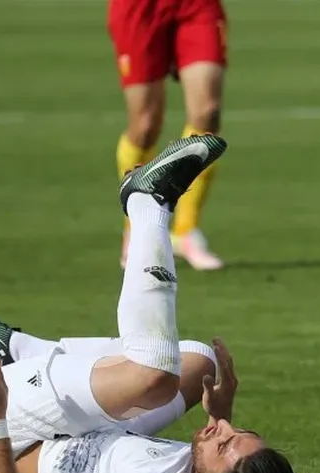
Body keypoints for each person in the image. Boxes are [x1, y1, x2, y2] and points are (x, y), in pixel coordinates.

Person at [0, 135, 305, 473]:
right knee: (202, 363)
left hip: (13, 430)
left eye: (224, 444)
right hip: (81, 429)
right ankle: (20, 351)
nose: (222, 429)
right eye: (238, 432)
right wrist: (219, 416)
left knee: (154, 376)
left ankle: (147, 203)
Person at [108, 0, 229, 270]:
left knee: (207, 113)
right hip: (139, 8)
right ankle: (137, 229)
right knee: (145, 125)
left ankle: (185, 231)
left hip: (196, 6)